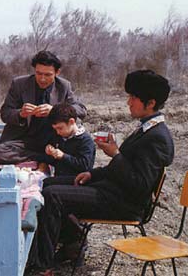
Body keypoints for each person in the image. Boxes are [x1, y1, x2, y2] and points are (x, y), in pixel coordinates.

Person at [29, 69, 175, 274]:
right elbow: (126, 167)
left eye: (133, 97)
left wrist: (116, 155)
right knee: (50, 183)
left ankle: (43, 264)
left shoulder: (157, 137)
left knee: (52, 195)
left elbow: (140, 185)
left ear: (150, 103)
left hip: (124, 203)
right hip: (112, 190)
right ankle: (71, 247)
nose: (128, 102)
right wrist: (93, 174)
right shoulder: (146, 129)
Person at [0, 50, 87, 165]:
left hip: (53, 139)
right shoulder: (19, 84)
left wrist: (54, 110)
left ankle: (43, 157)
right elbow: (5, 114)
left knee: (72, 154)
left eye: (47, 75)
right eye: (38, 73)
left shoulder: (64, 86)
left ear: (57, 72)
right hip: (24, 140)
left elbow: (81, 110)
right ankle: (43, 158)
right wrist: (20, 114)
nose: (42, 79)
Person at [42, 102, 95, 189]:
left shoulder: (85, 141)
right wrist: (51, 153)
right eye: (55, 129)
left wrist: (63, 156)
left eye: (60, 128)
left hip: (78, 180)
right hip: (61, 177)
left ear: (71, 122)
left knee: (47, 186)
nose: (58, 132)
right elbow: (56, 163)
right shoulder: (60, 137)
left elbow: (85, 165)